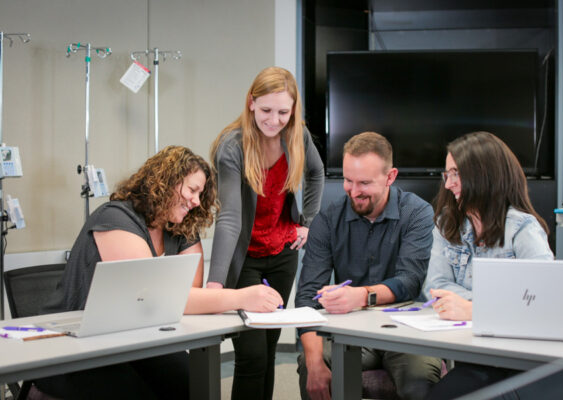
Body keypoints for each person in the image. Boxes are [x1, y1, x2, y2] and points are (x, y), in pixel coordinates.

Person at [36, 146, 283, 400]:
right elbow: (159, 298)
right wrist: (241, 297)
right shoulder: (116, 218)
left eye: (200, 194)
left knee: (193, 387)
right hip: (73, 347)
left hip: (135, 339)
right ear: (165, 183)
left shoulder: (178, 227)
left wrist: (193, 296)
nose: (196, 201)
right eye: (192, 190)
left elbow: (188, 295)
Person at [296, 131, 442, 400]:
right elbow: (307, 296)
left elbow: (410, 281)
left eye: (364, 183)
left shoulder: (417, 213)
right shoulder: (327, 221)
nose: (354, 191)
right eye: (348, 180)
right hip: (351, 333)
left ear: (390, 177)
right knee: (311, 365)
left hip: (406, 333)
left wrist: (361, 296)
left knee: (419, 380)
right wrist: (315, 363)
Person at [207, 66, 324, 399]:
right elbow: (229, 217)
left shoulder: (296, 136)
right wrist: (216, 283)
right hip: (246, 260)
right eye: (266, 110)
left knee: (269, 348)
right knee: (252, 354)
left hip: (283, 254)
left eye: (283, 112)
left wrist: (307, 220)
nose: (274, 120)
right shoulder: (231, 146)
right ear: (251, 103)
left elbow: (317, 173)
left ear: (293, 109)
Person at [422, 131, 554, 399]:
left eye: (456, 174)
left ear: (483, 175)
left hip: (524, 366)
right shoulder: (447, 224)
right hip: (478, 359)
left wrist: (473, 309)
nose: (449, 184)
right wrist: (502, 304)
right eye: (447, 174)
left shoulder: (522, 228)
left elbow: (544, 303)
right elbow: (435, 287)